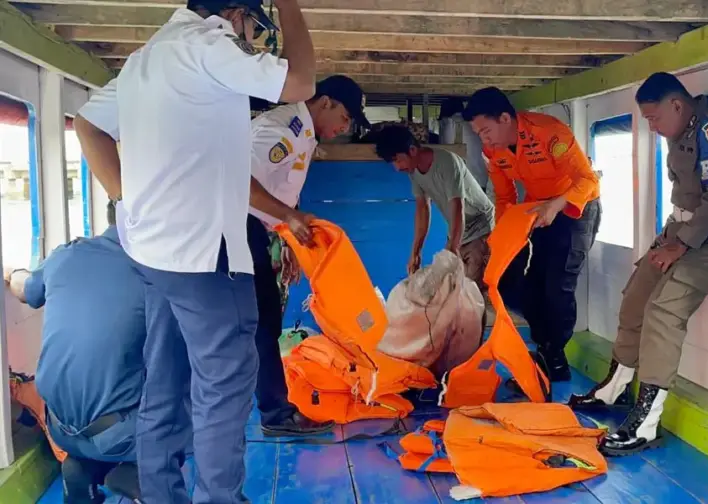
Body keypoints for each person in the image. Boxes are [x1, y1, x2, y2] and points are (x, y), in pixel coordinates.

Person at [72, 0, 317, 501]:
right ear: (234, 14)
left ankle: (161, 492)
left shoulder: (148, 58)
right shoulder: (208, 45)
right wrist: (290, 6)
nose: (251, 40)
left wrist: (124, 194)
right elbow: (300, 84)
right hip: (205, 261)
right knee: (222, 394)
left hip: (152, 254)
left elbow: (86, 124)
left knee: (166, 381)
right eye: (253, 26)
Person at [568, 73, 708, 456]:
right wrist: (671, 240)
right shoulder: (677, 134)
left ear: (677, 105)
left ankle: (647, 420)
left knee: (662, 311)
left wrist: (681, 246)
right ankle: (615, 387)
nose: (651, 128)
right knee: (635, 297)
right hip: (678, 231)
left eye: (654, 119)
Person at [246, 74, 370, 436]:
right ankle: (275, 414)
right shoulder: (282, 131)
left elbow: (280, 189)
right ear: (326, 102)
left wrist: (285, 239)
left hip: (259, 231)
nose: (345, 128)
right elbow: (239, 180)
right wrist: (287, 218)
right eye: (345, 118)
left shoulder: (303, 135)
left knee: (262, 322)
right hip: (235, 230)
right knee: (261, 324)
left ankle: (274, 410)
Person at [4, 202, 144, 503]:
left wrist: (12, 270)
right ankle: (139, 474)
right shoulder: (156, 272)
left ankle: (82, 467)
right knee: (207, 399)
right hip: (122, 437)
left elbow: (24, 288)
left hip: (60, 427)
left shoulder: (66, 255)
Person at [463, 87, 601, 382]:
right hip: (537, 214)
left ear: (504, 118)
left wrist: (557, 205)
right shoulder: (494, 151)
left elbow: (587, 179)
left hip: (574, 207)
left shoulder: (550, 133)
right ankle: (544, 348)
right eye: (478, 134)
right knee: (520, 284)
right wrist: (501, 240)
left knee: (558, 284)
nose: (484, 140)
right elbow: (504, 197)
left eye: (486, 130)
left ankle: (556, 355)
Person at [373, 124, 495, 289]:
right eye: (393, 162)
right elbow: (422, 210)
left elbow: (457, 207)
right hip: (460, 230)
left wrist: (451, 249)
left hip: (480, 228)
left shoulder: (447, 162)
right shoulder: (414, 172)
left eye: (398, 159)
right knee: (453, 287)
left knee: (472, 290)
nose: (397, 167)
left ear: (413, 150)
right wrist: (416, 252)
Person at [439, 98, 490, 191]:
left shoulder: (449, 124)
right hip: (481, 179)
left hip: (464, 183)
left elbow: (444, 149)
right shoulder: (473, 122)